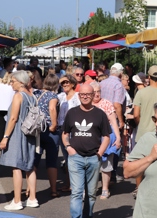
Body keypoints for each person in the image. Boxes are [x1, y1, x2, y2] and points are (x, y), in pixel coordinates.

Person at [62, 84, 111, 218]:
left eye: (88, 94)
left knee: (91, 194)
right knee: (77, 192)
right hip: (75, 157)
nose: (85, 97)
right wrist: (68, 147)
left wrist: (99, 154)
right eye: (82, 94)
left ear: (93, 95)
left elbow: (106, 136)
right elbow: (65, 133)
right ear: (79, 96)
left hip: (93, 158)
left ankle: (87, 215)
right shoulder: (72, 113)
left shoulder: (100, 114)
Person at [0, 70, 38, 210]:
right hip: (30, 134)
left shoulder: (18, 96)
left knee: (16, 167)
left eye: (13, 81)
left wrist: (5, 137)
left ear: (21, 82)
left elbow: (13, 118)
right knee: (30, 166)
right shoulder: (31, 95)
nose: (11, 84)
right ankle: (32, 198)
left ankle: (17, 201)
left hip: (17, 134)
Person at [132, 65, 157, 198]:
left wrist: (141, 124)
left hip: (143, 132)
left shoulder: (141, 92)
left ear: (148, 77)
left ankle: (139, 188)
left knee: (140, 164)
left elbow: (136, 114)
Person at [90, 81, 121, 200]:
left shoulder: (106, 103)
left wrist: (118, 138)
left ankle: (105, 189)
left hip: (106, 136)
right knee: (90, 164)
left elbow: (113, 122)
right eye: (95, 92)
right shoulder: (87, 104)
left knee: (106, 164)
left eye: (99, 91)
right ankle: (89, 189)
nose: (97, 94)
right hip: (91, 137)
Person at [33, 74, 60, 197]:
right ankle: (53, 190)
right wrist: (54, 124)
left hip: (37, 130)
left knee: (34, 161)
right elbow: (52, 108)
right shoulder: (53, 95)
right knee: (52, 161)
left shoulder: (37, 94)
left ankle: (30, 189)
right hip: (49, 130)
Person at [57, 74, 81, 192]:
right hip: (62, 129)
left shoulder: (77, 96)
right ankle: (69, 184)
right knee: (66, 158)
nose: (65, 85)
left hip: (74, 130)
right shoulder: (60, 96)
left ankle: (76, 185)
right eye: (63, 83)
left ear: (72, 84)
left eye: (67, 82)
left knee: (74, 158)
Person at [0, 72, 15, 145]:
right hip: (9, 107)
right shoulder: (12, 86)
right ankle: (8, 141)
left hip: (0, 108)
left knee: (0, 126)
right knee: (9, 126)